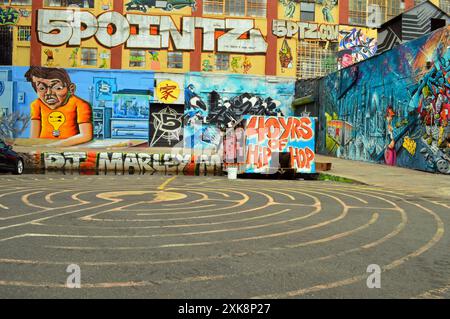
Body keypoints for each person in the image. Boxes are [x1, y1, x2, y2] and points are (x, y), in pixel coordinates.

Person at [25, 66, 93, 147]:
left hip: (69, 150)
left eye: (57, 88)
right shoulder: (36, 105)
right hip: (43, 149)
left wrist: (53, 146)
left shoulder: (80, 105)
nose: (49, 93)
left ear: (71, 89)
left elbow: (86, 135)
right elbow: (34, 138)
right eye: (42, 88)